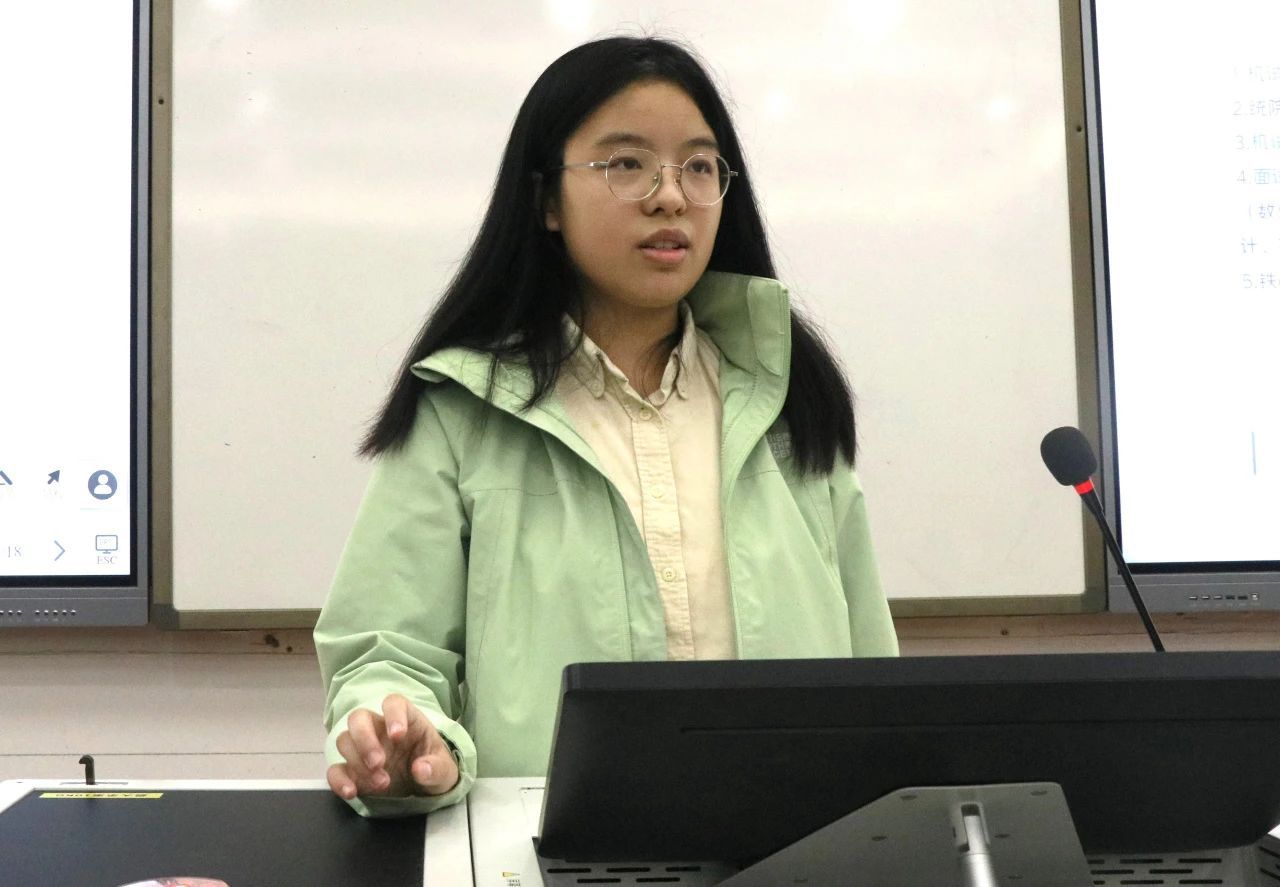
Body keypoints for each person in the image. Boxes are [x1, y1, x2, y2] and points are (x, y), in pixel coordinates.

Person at [314, 35, 898, 818]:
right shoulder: (460, 411)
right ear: (547, 200)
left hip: (791, 843)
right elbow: (388, 657)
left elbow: (871, 675)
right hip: (550, 845)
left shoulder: (789, 401)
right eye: (627, 163)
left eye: (699, 166)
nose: (671, 196)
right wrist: (405, 739)